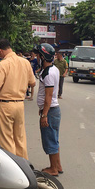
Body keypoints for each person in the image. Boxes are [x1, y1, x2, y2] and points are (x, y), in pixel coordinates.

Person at [0, 38, 36, 159]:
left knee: (6, 139)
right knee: (20, 138)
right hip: (19, 104)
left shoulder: (3, 64)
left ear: (0, 50)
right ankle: (23, 164)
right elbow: (32, 83)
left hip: (5, 104)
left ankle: (11, 167)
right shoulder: (25, 62)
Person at [34, 44, 62, 176]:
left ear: (43, 56)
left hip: (50, 111)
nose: (37, 57)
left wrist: (44, 114)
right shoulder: (53, 69)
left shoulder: (49, 73)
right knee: (54, 138)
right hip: (52, 110)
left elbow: (48, 97)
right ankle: (58, 165)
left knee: (50, 139)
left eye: (39, 55)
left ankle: (53, 169)